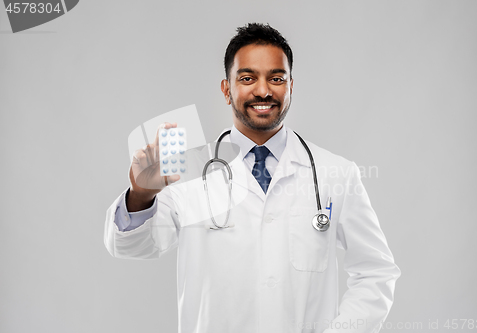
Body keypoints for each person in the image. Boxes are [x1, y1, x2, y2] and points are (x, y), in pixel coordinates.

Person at [104, 23, 401, 333]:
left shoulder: (335, 173)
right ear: (226, 89)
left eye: (276, 78)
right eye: (247, 78)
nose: (263, 91)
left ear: (290, 86)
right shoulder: (188, 170)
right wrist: (141, 194)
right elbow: (134, 246)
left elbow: (376, 272)